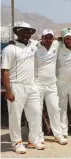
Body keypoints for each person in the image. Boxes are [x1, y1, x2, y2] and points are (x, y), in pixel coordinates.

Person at [1, 21, 45, 154]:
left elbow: (50, 43)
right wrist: (8, 91)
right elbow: (4, 71)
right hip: (16, 86)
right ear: (17, 33)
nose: (27, 34)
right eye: (24, 31)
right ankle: (16, 142)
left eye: (29, 32)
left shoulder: (33, 45)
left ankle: (33, 140)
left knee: (36, 113)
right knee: (15, 116)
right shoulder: (9, 49)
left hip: (31, 85)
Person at [34, 29, 67, 145]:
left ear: (53, 38)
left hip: (52, 84)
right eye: (45, 37)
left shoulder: (55, 46)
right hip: (38, 85)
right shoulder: (35, 48)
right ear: (41, 38)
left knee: (55, 109)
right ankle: (39, 136)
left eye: (50, 37)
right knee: (37, 111)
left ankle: (58, 135)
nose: (48, 40)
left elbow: (65, 36)